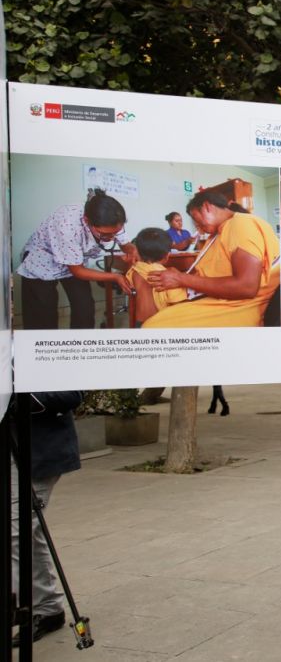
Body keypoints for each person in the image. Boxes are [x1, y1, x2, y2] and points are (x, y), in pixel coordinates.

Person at [142, 191, 280, 328]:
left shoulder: (241, 223)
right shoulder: (217, 233)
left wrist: (180, 279)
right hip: (216, 297)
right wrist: (180, 277)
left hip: (237, 304)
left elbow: (247, 287)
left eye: (196, 219)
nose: (198, 226)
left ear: (207, 207)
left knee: (152, 326)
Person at [11, 391, 84, 646]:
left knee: (15, 533)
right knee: (27, 533)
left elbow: (72, 394)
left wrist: (16, 399)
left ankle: (29, 607)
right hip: (12, 447)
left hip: (38, 451)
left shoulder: (39, 351)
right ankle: (47, 607)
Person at [17, 188, 136, 329]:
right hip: (43, 261)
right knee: (43, 316)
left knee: (84, 308)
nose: (111, 238)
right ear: (87, 221)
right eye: (105, 235)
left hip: (75, 261)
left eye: (114, 233)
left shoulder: (113, 218)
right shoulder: (67, 224)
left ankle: (79, 347)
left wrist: (132, 250)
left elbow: (125, 243)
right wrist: (115, 277)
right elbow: (77, 271)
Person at [126, 228, 189, 325]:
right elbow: (180, 309)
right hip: (158, 324)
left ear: (138, 251)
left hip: (138, 323)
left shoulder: (134, 270)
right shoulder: (170, 278)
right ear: (167, 256)